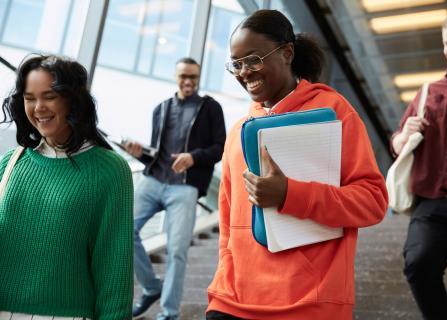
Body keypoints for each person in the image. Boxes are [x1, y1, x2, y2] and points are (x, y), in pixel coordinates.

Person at [206, 9, 388, 320]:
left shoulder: (335, 111)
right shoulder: (238, 131)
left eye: (253, 59)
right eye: (236, 64)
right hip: (231, 298)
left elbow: (372, 202)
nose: (244, 72)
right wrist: (226, 267)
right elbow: (226, 217)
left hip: (306, 302)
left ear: (287, 53)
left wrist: (290, 194)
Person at [0, 55, 133, 319]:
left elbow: (114, 271)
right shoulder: (10, 163)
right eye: (29, 98)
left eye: (49, 96)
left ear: (72, 99)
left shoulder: (109, 170)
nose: (38, 107)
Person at [391, 7, 447, 320]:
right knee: (418, 265)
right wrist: (403, 138)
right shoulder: (429, 90)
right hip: (434, 202)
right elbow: (398, 141)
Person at [125, 57, 226, 320]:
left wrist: (193, 157)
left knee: (177, 250)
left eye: (193, 76)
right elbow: (155, 155)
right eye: (184, 76)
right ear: (176, 76)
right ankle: (151, 287)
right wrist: (138, 153)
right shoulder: (161, 109)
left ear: (199, 77)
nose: (188, 81)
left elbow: (219, 147)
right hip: (154, 179)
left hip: (185, 188)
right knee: (123, 230)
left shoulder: (210, 108)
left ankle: (168, 314)